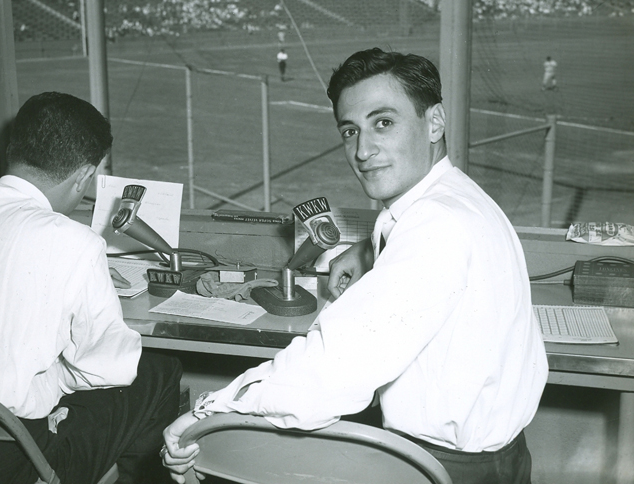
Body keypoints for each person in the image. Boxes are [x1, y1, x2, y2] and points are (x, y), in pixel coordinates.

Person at [161, 48, 548, 484]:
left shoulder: (435, 226)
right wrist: (369, 249)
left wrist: (207, 414)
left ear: (435, 122)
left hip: (448, 467)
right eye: (350, 131)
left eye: (383, 122)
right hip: (501, 457)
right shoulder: (455, 199)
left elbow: (331, 370)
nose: (363, 150)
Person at [0, 92, 182, 484]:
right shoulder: (76, 242)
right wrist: (51, 381)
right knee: (158, 371)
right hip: (5, 463)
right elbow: (109, 370)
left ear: (13, 149)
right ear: (83, 177)